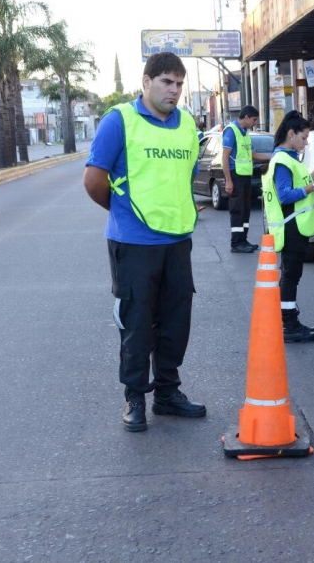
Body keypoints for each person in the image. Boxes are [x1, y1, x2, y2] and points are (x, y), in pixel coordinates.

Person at [83, 52, 207, 433]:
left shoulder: (187, 125)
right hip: (133, 243)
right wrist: (124, 213)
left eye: (179, 83)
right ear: (147, 82)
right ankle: (134, 397)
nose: (174, 90)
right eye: (167, 82)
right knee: (137, 323)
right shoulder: (119, 121)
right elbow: (93, 180)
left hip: (177, 241)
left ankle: (167, 394)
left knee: (175, 321)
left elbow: (185, 178)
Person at [261, 110, 314, 343]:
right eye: (304, 137)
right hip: (292, 229)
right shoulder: (282, 160)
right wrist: (313, 186)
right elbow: (285, 195)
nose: (306, 142)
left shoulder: (286, 158)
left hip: (294, 228)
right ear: (291, 134)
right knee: (290, 278)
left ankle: (288, 322)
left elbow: (294, 185)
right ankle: (289, 326)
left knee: (289, 277)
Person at [223, 105, 271, 253]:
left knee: (245, 210)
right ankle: (236, 243)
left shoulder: (244, 133)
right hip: (235, 176)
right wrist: (228, 181)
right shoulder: (232, 131)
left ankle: (243, 240)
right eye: (254, 120)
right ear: (246, 117)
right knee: (237, 210)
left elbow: (253, 155)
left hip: (244, 177)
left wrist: (275, 155)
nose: (255, 123)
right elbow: (225, 157)